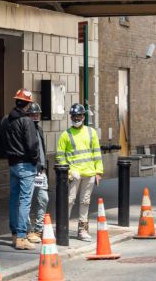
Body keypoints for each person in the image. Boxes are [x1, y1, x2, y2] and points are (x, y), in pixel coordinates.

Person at [0, 88, 40, 250]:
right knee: (25, 201)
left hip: (12, 164)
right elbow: (32, 145)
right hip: (26, 165)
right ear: (27, 104)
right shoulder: (26, 121)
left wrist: (7, 154)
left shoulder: (6, 120)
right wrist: (35, 161)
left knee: (14, 200)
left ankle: (15, 234)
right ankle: (21, 236)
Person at [56, 103, 103, 241]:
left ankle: (82, 230)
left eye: (79, 116)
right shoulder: (65, 135)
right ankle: (63, 228)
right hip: (74, 175)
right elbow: (60, 156)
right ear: (71, 117)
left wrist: (98, 172)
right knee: (69, 200)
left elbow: (96, 153)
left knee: (85, 202)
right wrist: (69, 171)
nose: (76, 118)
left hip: (89, 173)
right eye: (74, 116)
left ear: (83, 116)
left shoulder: (91, 132)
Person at [26, 103, 49, 244]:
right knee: (26, 201)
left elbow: (42, 149)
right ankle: (28, 229)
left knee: (43, 198)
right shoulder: (25, 130)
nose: (35, 116)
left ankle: (39, 228)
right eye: (33, 114)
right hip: (29, 169)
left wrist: (44, 166)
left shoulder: (39, 129)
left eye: (37, 114)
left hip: (40, 171)